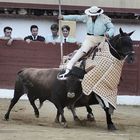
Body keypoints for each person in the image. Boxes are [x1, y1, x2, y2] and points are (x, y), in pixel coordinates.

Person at [58, 6, 115, 80]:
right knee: (82, 50)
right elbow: (76, 17)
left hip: (101, 39)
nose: (92, 17)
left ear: (98, 14)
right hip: (90, 39)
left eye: (94, 16)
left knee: (108, 53)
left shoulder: (104, 18)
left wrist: (109, 33)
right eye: (91, 15)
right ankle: (68, 67)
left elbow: (112, 28)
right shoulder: (87, 17)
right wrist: (64, 17)